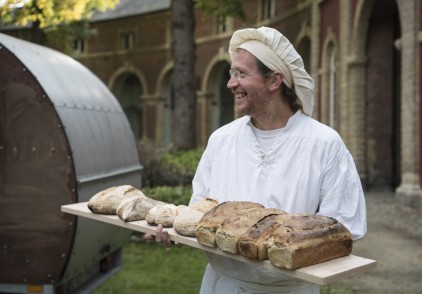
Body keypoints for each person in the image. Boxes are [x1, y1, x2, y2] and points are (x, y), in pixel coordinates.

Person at [146, 26, 367, 294]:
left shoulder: (323, 144)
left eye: (241, 73)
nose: (231, 83)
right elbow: (198, 212)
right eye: (231, 73)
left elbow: (343, 227)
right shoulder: (221, 140)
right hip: (221, 286)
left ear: (274, 80)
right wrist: (176, 233)